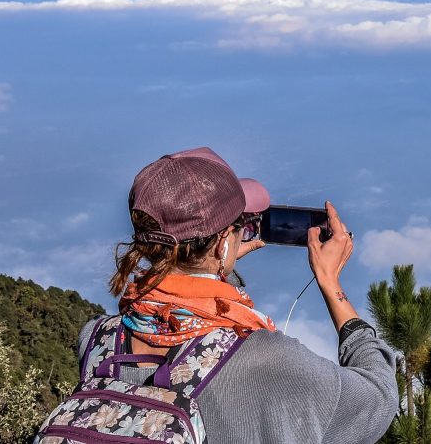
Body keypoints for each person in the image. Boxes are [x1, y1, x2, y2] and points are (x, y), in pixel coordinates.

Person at [75, 146, 398, 444]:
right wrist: (330, 282)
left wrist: (212, 266)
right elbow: (378, 399)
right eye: (239, 225)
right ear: (220, 242)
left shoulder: (96, 338)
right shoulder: (270, 360)